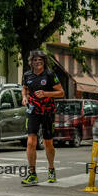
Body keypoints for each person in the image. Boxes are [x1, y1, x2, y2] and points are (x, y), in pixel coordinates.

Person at [21, 49, 65, 185]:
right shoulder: (27, 75)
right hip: (33, 110)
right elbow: (24, 88)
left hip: (48, 111)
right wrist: (24, 97)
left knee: (48, 143)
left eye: (40, 60)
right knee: (30, 142)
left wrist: (46, 94)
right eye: (35, 60)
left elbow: (61, 92)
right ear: (31, 62)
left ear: (44, 62)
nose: (37, 62)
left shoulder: (50, 74)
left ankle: (51, 169)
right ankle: (32, 174)